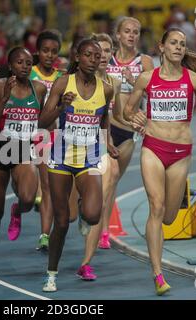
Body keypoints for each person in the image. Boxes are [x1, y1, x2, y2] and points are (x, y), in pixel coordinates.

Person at [123, 28, 196, 295]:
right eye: (173, 43)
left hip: (181, 153)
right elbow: (128, 110)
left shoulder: (195, 79)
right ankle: (157, 273)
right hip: (153, 147)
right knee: (156, 205)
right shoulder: (146, 78)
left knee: (169, 216)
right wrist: (135, 118)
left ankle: (158, 246)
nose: (178, 47)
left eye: (182, 44)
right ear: (161, 47)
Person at [38, 39, 119, 292]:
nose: (94, 59)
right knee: (62, 223)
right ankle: (51, 274)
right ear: (78, 57)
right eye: (88, 55)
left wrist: (108, 143)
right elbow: (42, 121)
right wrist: (62, 106)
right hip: (61, 159)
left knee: (94, 214)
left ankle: (85, 209)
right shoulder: (64, 83)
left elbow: (103, 118)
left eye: (97, 56)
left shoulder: (106, 89)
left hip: (88, 158)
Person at [0, 47, 47, 278]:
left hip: (23, 151)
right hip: (0, 150)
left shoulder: (39, 89)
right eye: (20, 62)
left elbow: (43, 121)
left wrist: (60, 110)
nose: (25, 66)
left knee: (28, 199)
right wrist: (5, 99)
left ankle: (17, 210)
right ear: (10, 65)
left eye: (29, 62)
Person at [100, 17, 154, 249]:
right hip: (105, 128)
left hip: (128, 131)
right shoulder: (105, 59)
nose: (132, 35)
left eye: (136, 32)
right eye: (127, 31)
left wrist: (138, 85)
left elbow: (155, 95)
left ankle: (102, 230)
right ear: (118, 35)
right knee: (107, 174)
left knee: (112, 181)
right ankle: (92, 216)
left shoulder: (145, 62)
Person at [30, 29, 63, 251]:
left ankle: (44, 234)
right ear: (38, 52)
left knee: (48, 186)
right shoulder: (27, 71)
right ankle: (19, 209)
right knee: (26, 194)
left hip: (50, 135)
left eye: (54, 52)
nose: (49, 56)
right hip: (25, 135)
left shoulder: (62, 77)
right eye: (45, 51)